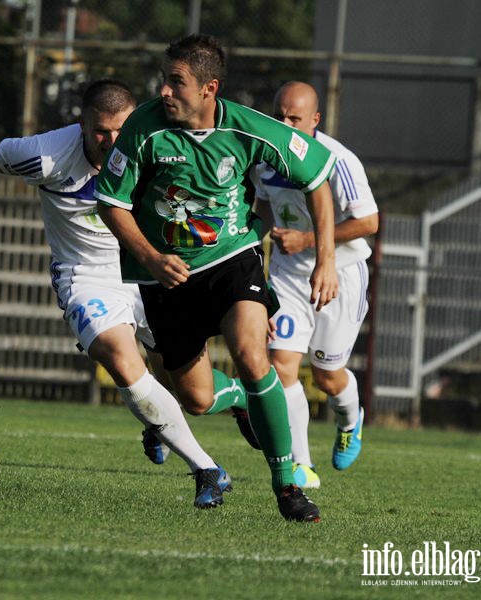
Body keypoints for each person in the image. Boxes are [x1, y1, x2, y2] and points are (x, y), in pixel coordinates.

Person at [95, 35, 338, 522]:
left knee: (253, 356)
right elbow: (111, 203)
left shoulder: (249, 128)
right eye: (164, 79)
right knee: (198, 399)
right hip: (164, 276)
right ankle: (243, 401)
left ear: (209, 88)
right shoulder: (143, 127)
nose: (164, 90)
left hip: (232, 259)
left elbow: (316, 177)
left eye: (176, 82)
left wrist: (325, 259)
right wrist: (152, 256)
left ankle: (287, 484)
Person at [0, 79, 234, 509]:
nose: (110, 141)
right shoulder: (45, 155)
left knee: (195, 396)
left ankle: (230, 399)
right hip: (87, 277)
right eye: (100, 131)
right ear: (83, 125)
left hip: (148, 270)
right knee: (123, 362)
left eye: (119, 131)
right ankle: (207, 470)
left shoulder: (156, 146)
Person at [252, 81, 378, 488]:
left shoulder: (339, 160)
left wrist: (308, 240)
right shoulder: (264, 156)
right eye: (279, 116)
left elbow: (369, 223)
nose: (285, 125)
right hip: (289, 274)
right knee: (282, 366)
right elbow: (265, 206)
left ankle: (349, 418)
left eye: (295, 119)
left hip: (341, 272)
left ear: (315, 120)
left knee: (327, 375)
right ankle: (301, 465)